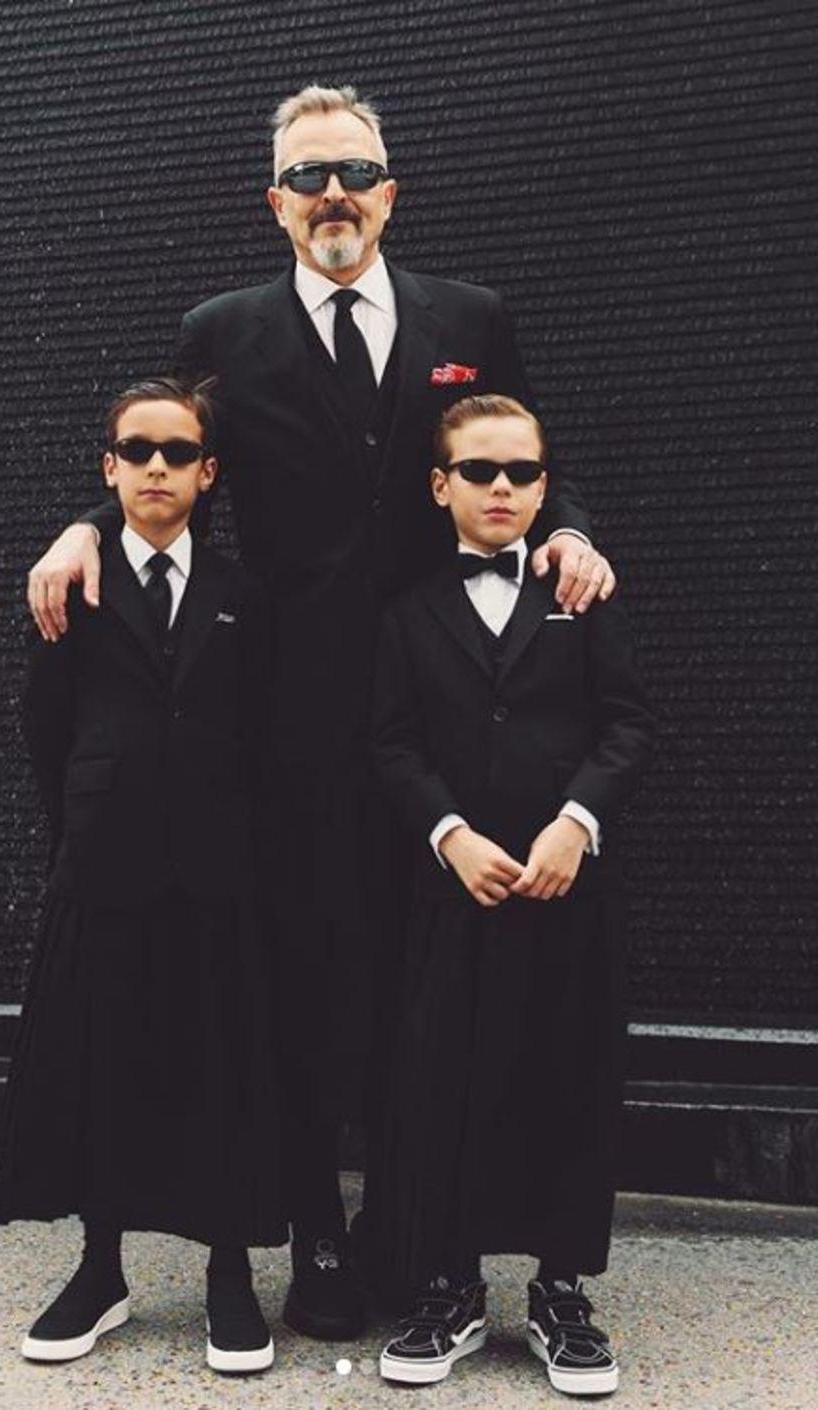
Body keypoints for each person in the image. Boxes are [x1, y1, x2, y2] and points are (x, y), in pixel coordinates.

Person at [24, 85, 617, 1340]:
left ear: (389, 192)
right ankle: (320, 1235)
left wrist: (567, 530)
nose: (332, 193)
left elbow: (526, 451)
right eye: (307, 175)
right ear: (276, 201)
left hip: (452, 703)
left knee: (429, 970)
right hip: (288, 713)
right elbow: (163, 452)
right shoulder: (223, 329)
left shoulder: (471, 318)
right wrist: (82, 527)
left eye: (352, 171)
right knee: (301, 973)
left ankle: (417, 1233)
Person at [0, 377, 285, 1375]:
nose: (158, 467)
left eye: (179, 452)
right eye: (138, 450)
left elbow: (264, 736)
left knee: (222, 1067)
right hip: (105, 863)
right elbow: (46, 725)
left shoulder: (244, 594)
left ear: (209, 471)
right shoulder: (72, 584)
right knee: (103, 1066)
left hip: (217, 870)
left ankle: (229, 1273)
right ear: (109, 466)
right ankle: (100, 1268)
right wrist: (89, 818)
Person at [367, 393, 655, 1394]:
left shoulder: (583, 594)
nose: (501, 488)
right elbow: (390, 742)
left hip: (568, 892)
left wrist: (577, 822)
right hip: (456, 894)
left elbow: (627, 724)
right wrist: (448, 834)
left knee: (567, 1077)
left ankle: (561, 1291)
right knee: (442, 1079)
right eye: (480, 471)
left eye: (522, 472)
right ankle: (449, 1286)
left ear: (544, 486)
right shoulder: (405, 612)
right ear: (438, 485)